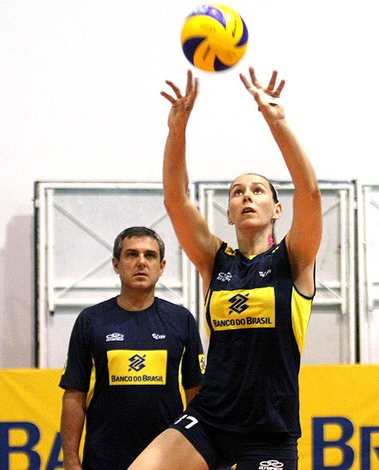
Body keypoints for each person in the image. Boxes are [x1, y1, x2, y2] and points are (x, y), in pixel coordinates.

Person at [128, 67, 322, 470]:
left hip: (269, 428)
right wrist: (177, 130)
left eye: (257, 191)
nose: (247, 197)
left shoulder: (294, 258)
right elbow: (176, 199)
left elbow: (310, 192)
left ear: (276, 209)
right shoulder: (215, 261)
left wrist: (278, 122)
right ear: (229, 212)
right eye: (237, 192)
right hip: (211, 417)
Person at [59, 226, 204, 470]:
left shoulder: (181, 320)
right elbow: (75, 395)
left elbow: (196, 395)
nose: (141, 262)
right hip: (104, 460)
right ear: (116, 264)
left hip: (167, 460)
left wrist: (201, 453)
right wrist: (71, 459)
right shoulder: (91, 320)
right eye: (131, 255)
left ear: (162, 266)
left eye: (150, 255)